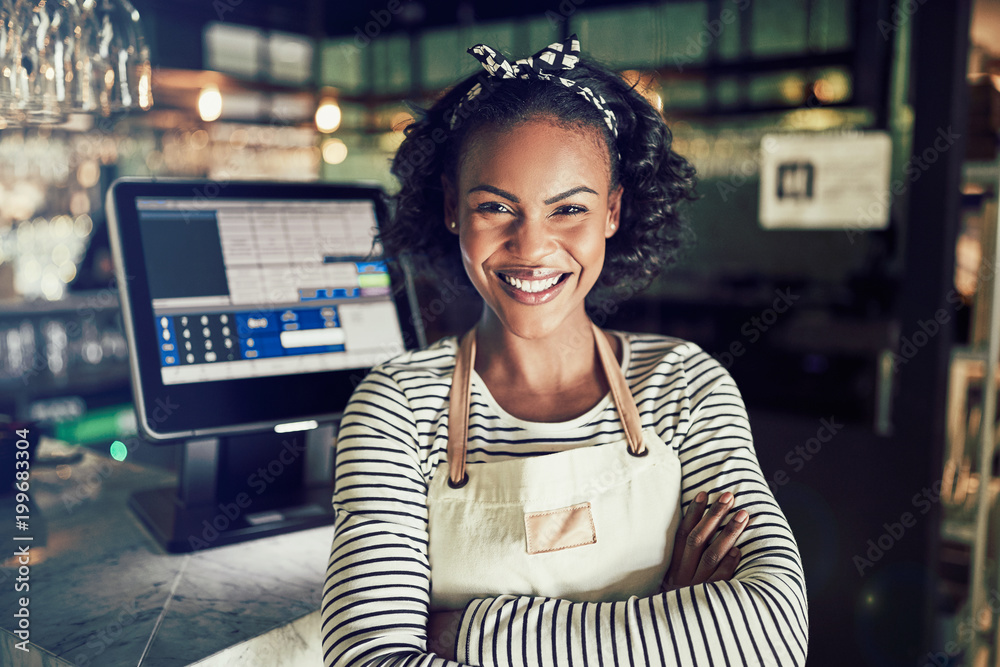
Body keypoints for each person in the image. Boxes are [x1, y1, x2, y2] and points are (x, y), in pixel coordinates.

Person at [321, 35, 808, 667]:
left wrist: (463, 633)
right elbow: (366, 660)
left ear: (612, 211)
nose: (532, 247)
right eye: (496, 207)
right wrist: (669, 627)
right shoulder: (394, 408)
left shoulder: (687, 387)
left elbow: (768, 638)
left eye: (568, 210)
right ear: (451, 209)